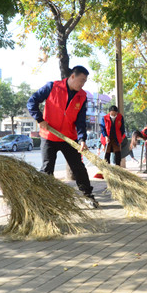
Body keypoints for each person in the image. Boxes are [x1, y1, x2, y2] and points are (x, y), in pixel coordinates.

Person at [27, 66, 98, 208]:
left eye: (85, 81)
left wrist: (82, 139)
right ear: (72, 76)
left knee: (78, 168)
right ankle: (44, 200)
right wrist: (39, 119)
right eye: (81, 80)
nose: (82, 84)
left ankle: (88, 196)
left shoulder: (82, 96)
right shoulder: (52, 87)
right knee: (47, 169)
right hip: (49, 136)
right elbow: (32, 101)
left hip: (68, 138)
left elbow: (80, 121)